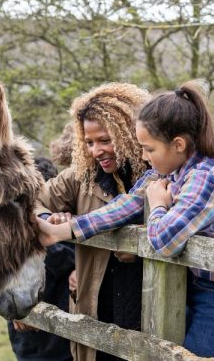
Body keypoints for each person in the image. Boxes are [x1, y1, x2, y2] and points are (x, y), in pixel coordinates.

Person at [37, 80, 214, 360]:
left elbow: (165, 241)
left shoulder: (206, 177)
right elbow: (125, 206)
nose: (144, 156)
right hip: (204, 290)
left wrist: (158, 206)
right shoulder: (172, 172)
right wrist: (61, 231)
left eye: (149, 149)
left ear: (178, 144)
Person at [35, 83, 150, 361]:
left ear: (128, 133)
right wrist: (48, 218)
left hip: (145, 312)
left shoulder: (158, 174)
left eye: (105, 140)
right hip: (95, 315)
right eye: (89, 142)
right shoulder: (80, 177)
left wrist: (139, 251)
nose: (97, 151)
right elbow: (32, 201)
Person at [8, 156, 74, 361]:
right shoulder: (10, 233)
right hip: (28, 340)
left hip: (63, 339)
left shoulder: (62, 224)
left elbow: (70, 261)